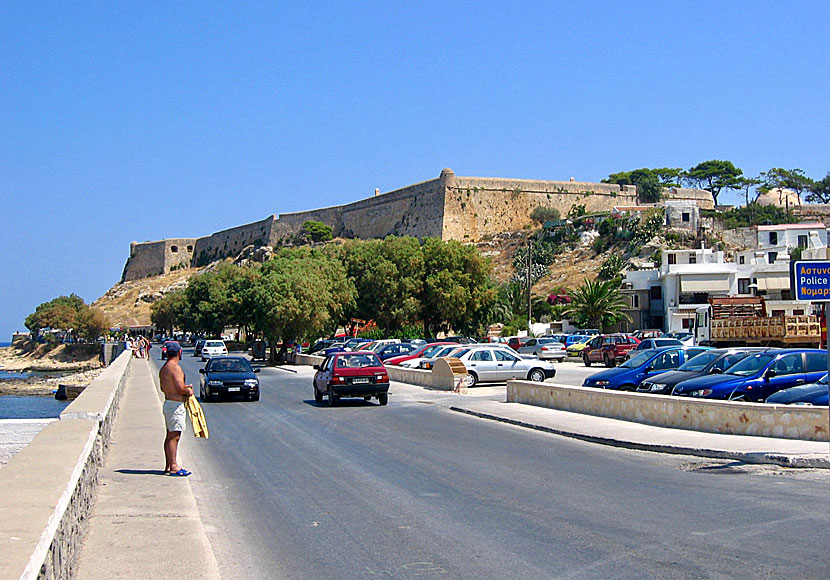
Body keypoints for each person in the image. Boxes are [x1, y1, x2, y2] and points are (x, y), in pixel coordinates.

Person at [158, 342, 192, 476]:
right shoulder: (175, 368)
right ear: (179, 353)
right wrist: (188, 390)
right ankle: (173, 466)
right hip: (175, 405)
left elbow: (163, 387)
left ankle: (169, 464)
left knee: (170, 435)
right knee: (174, 436)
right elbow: (179, 388)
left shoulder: (164, 368)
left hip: (168, 402)